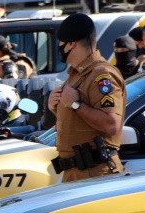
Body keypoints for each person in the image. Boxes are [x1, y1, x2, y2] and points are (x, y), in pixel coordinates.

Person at [48, 13, 125, 183]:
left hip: (95, 173)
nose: (59, 46)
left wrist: (76, 104)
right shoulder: (76, 74)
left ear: (71, 44)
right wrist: (57, 108)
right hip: (76, 173)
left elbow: (111, 124)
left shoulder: (102, 75)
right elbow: (79, 125)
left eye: (60, 42)